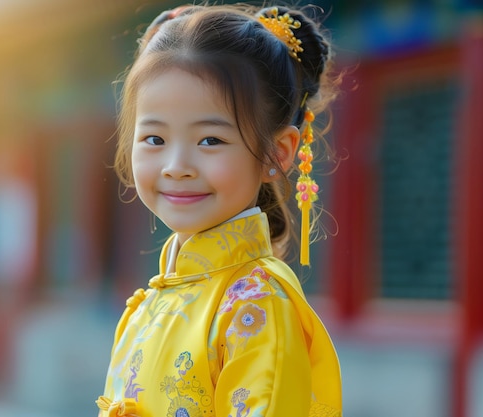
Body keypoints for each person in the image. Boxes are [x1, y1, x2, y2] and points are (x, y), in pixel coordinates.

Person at [97, 3, 342, 416]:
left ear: (277, 152)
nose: (176, 167)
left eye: (210, 140)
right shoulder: (150, 302)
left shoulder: (256, 302)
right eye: (154, 139)